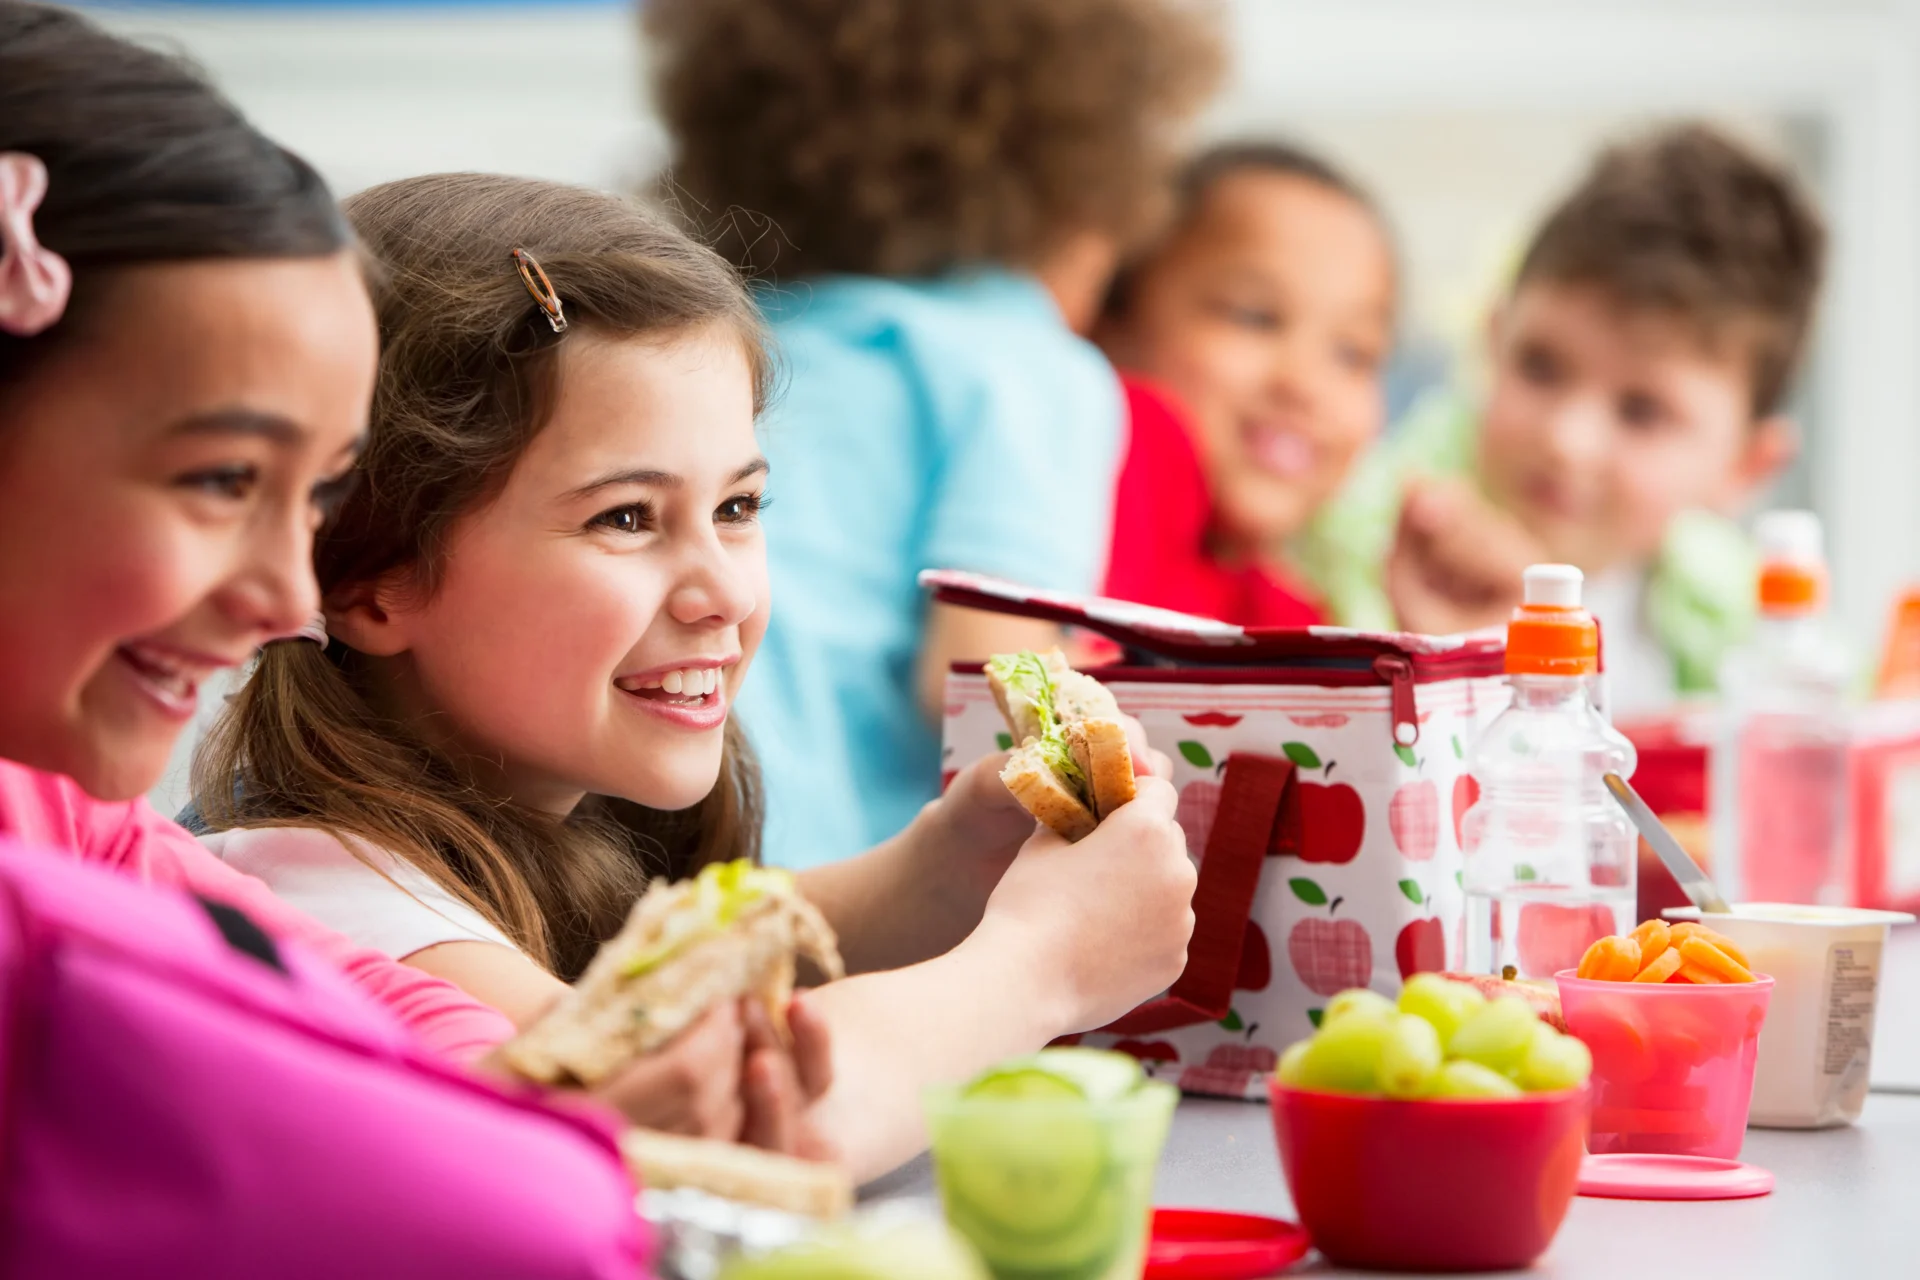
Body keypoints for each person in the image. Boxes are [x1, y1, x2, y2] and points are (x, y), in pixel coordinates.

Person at [193, 173, 1198, 1181]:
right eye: (626, 517)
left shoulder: (535, 830)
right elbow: (739, 1137)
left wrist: (951, 867)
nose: (723, 591)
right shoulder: (320, 892)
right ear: (373, 584)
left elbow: (690, 981)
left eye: (739, 507)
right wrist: (1042, 966)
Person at [0, 0, 507, 1063]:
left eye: (320, 493)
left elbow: (343, 993)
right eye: (225, 479)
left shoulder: (56, 805)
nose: (290, 599)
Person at [644, 0, 1224, 868]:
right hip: (808, 863)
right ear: (1080, 182)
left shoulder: (738, 336)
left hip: (642, 811)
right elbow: (980, 670)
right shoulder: (1025, 366)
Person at [1301, 124, 1824, 714]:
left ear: (1745, 467)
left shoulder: (1735, 622)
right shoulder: (1349, 545)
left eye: (1642, 411)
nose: (1566, 439)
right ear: (1493, 342)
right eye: (1541, 366)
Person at [1096, 142, 1397, 627]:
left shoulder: (1285, 614)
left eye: (1353, 352)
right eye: (1253, 316)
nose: (1305, 384)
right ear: (1109, 318)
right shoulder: (1103, 470)